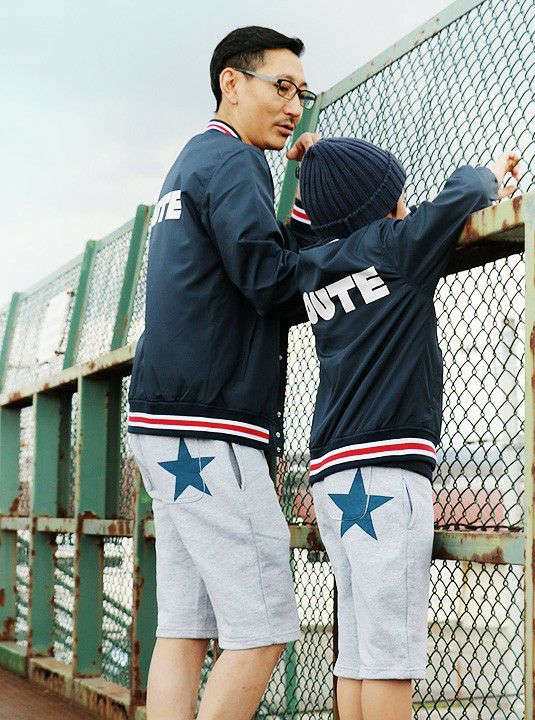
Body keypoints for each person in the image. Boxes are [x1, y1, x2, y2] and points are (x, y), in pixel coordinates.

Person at [127, 27, 319, 720]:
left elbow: (244, 263)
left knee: (183, 628)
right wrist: (361, 247)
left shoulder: (190, 161)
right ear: (231, 84)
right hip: (210, 425)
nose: (293, 105)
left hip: (159, 421)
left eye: (302, 93)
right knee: (263, 629)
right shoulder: (237, 160)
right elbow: (269, 280)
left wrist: (296, 219)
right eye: (281, 87)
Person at [297, 137, 520, 720]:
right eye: (398, 195)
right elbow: (466, 190)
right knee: (391, 656)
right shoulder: (397, 248)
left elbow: (318, 224)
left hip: (329, 475)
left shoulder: (313, 267)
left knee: (357, 651)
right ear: (383, 205)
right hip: (386, 474)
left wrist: (310, 173)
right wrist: (493, 172)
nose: (406, 204)